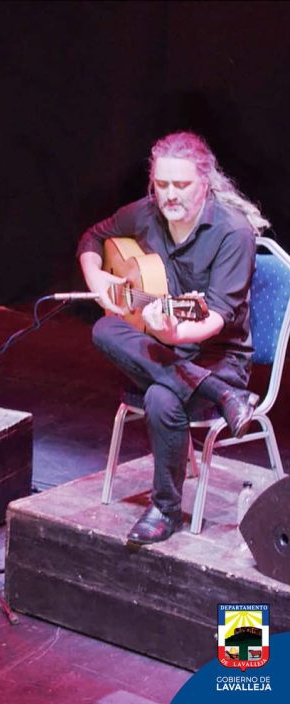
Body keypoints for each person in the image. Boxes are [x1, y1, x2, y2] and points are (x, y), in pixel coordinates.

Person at [78, 131, 269, 545]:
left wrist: (173, 329)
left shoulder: (233, 233)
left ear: (205, 182)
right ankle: (218, 394)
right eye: (162, 184)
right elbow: (92, 238)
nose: (169, 195)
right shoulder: (145, 214)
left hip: (220, 358)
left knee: (161, 397)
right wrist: (99, 280)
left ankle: (165, 509)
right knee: (105, 327)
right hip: (163, 351)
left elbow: (215, 318)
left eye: (180, 185)